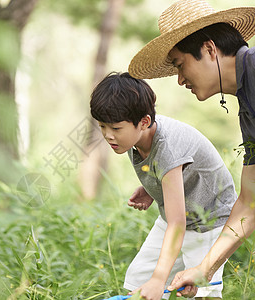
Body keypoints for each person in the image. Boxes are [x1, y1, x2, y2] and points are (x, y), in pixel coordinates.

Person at [127, 0, 255, 298]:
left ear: (209, 50)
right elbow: (249, 205)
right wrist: (203, 269)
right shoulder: (251, 116)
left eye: (181, 65)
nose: (180, 80)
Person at [90, 72, 237, 300]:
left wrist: (160, 279)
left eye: (116, 129)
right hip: (176, 216)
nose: (108, 136)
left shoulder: (166, 146)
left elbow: (177, 221)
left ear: (144, 122)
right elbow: (171, 178)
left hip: (209, 220)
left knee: (203, 292)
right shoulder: (133, 138)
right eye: (102, 127)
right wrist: (153, 189)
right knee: (139, 281)